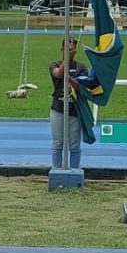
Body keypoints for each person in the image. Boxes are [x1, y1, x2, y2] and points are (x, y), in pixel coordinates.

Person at [50, 37, 86, 169]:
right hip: (58, 109)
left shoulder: (81, 67)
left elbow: (81, 86)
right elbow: (58, 74)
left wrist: (71, 80)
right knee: (57, 144)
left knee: (74, 145)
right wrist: (66, 58)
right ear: (62, 50)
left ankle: (75, 170)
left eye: (72, 48)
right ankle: (56, 169)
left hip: (74, 110)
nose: (70, 51)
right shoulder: (55, 64)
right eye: (67, 48)